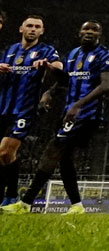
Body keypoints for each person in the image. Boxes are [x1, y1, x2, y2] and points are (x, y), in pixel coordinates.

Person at [2, 20, 109, 216]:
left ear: (100, 35)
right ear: (79, 32)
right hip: (69, 113)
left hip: (87, 114)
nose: (89, 32)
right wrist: (50, 92)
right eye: (85, 29)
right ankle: (77, 205)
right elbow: (66, 80)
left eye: (94, 30)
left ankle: (25, 202)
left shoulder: (104, 54)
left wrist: (78, 106)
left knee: (53, 150)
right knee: (65, 159)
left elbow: (107, 85)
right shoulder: (73, 54)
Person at [0, 15, 62, 205]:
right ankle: (9, 195)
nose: (33, 29)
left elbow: (60, 67)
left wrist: (48, 65)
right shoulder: (10, 50)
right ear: (21, 29)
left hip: (25, 110)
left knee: (4, 152)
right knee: (5, 156)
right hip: (2, 107)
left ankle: (11, 195)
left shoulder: (46, 50)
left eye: (37, 27)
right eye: (29, 26)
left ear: (41, 31)